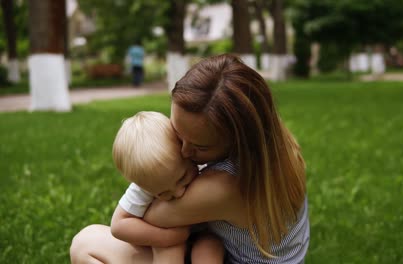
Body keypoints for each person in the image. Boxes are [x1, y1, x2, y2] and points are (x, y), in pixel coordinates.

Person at [70, 54, 310, 263]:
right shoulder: (279, 147)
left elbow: (152, 216)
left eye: (199, 146)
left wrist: (155, 170)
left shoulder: (226, 186)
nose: (183, 152)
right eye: (176, 133)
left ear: (237, 141)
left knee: (86, 243)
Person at [70, 111, 224, 264]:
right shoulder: (146, 186)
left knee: (210, 245)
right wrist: (165, 237)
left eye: (182, 178)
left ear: (185, 153)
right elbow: (119, 225)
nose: (178, 192)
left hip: (203, 236)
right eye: (163, 193)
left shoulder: (203, 164)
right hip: (167, 240)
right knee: (169, 248)